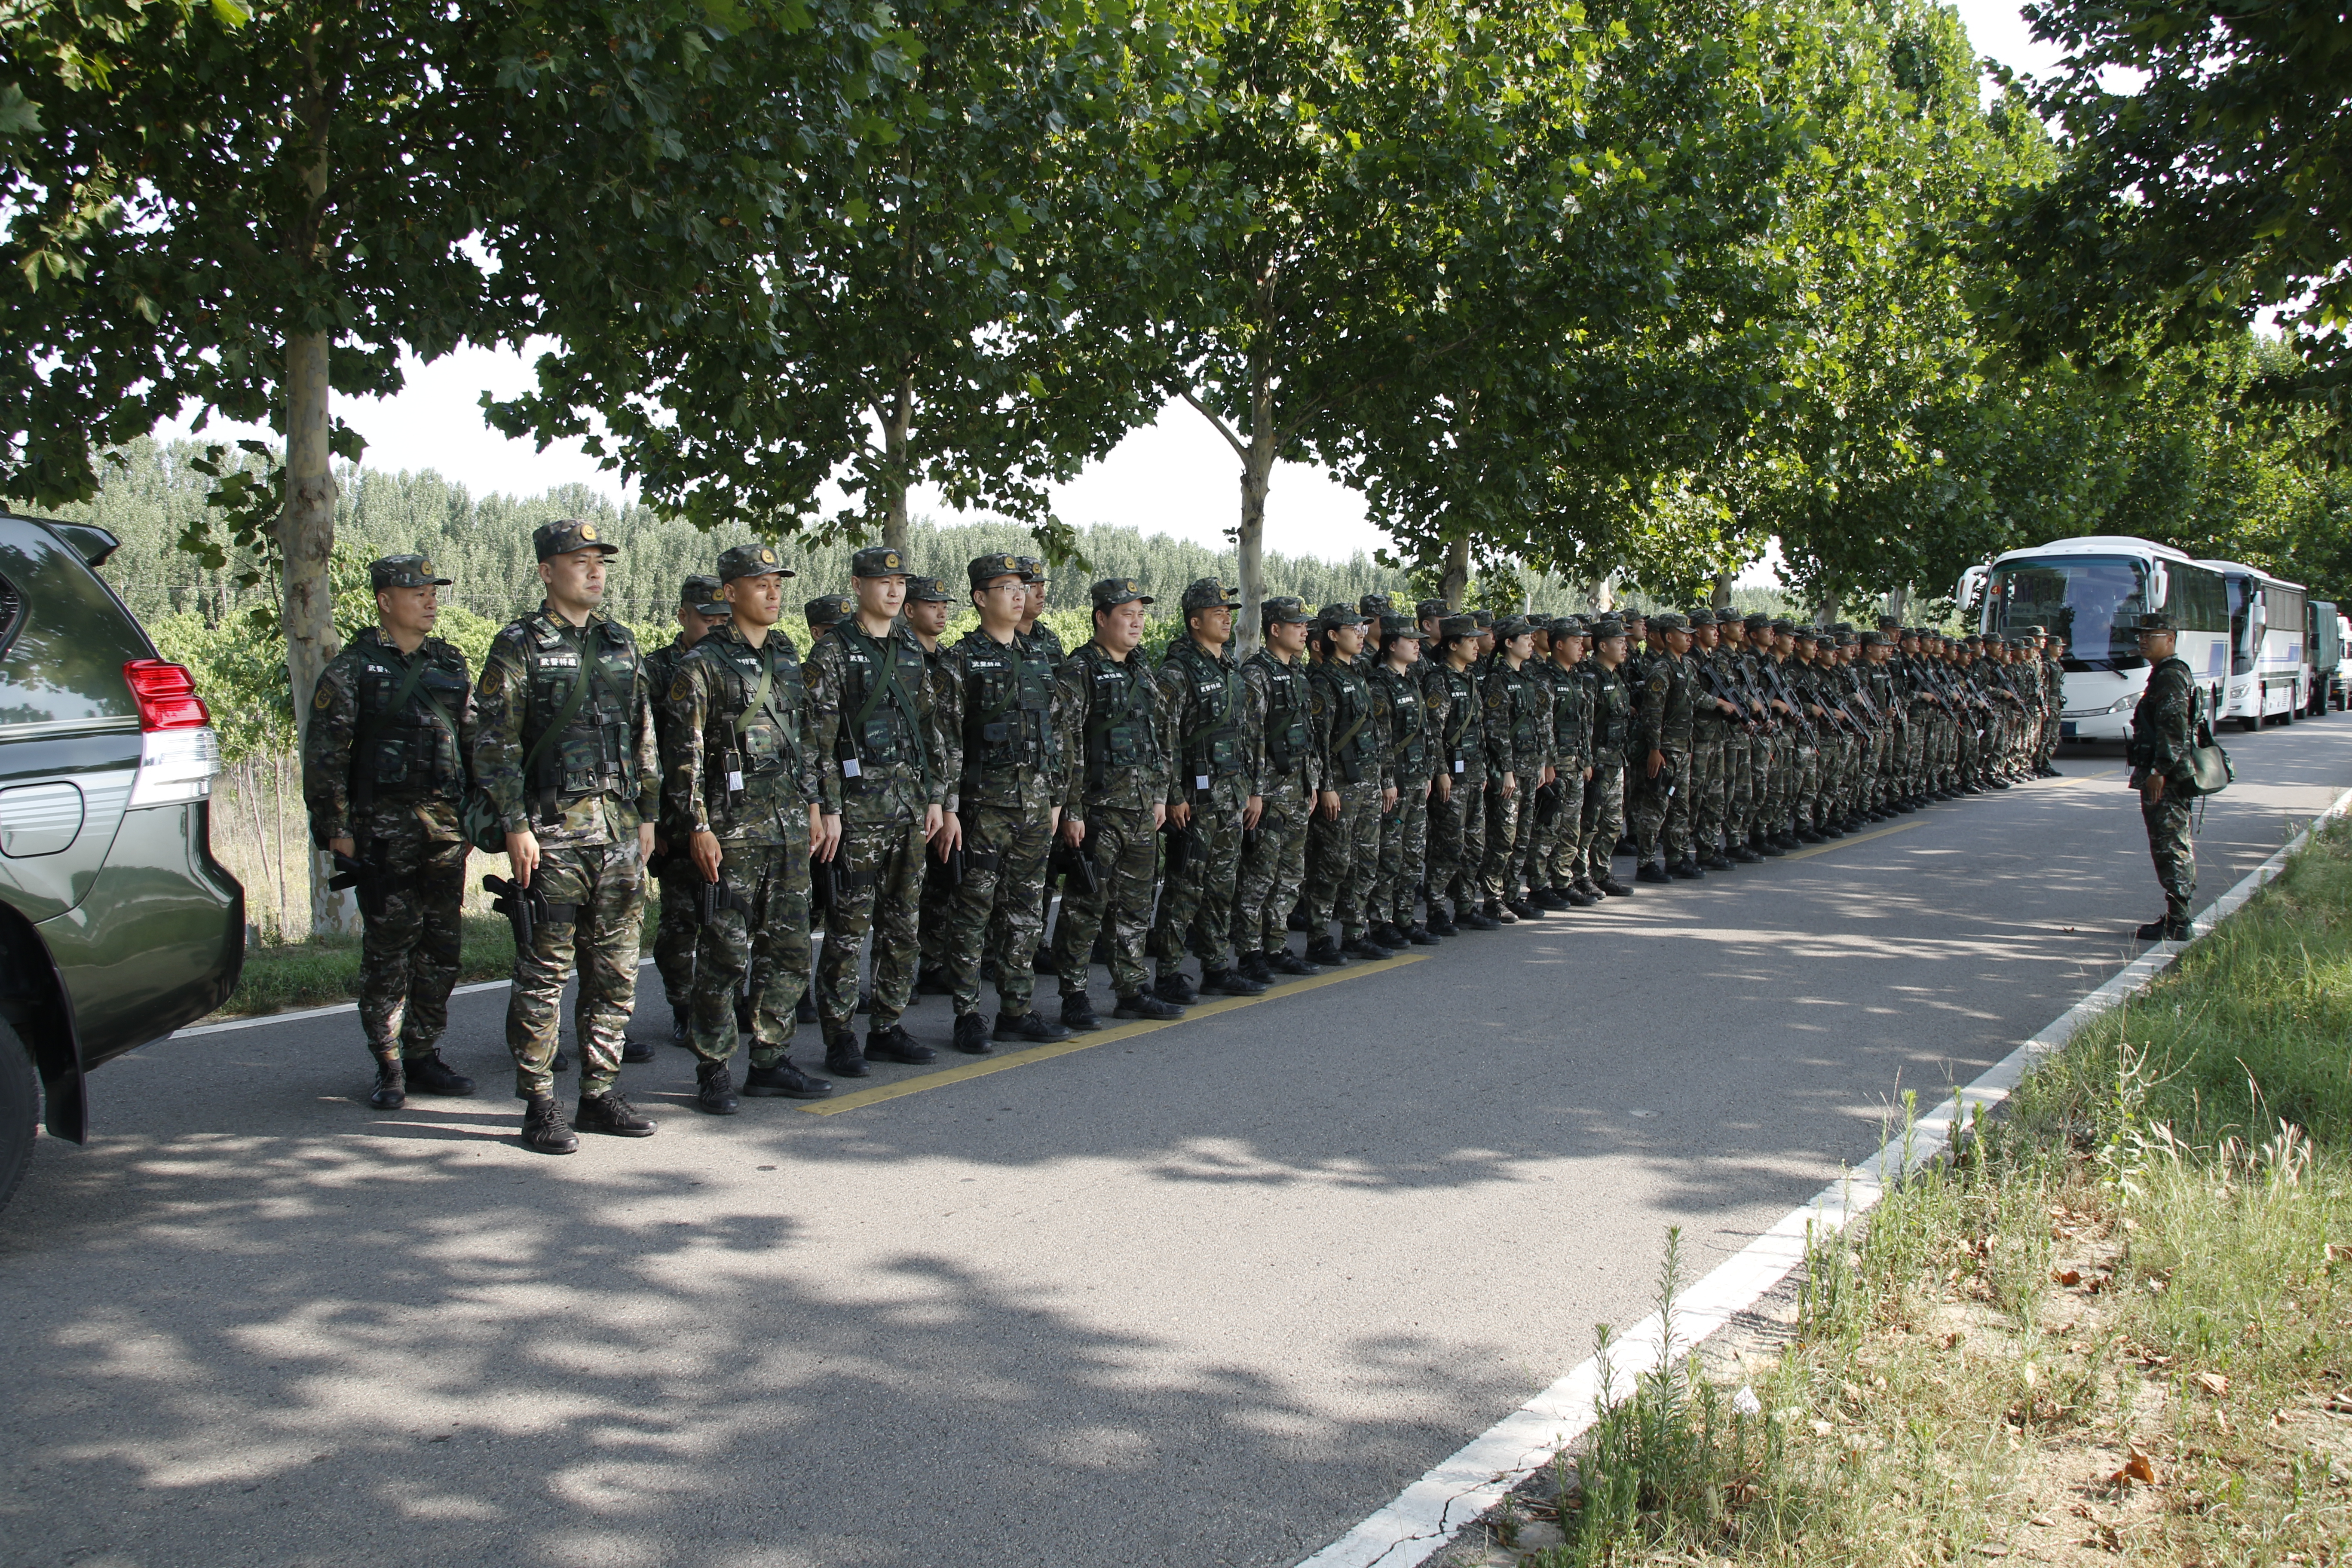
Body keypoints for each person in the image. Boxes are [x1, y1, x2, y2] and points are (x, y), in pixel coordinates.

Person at [473, 519, 661, 1155]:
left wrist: (648, 816)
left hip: (616, 832)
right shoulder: (518, 645)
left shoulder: (620, 643)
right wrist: (515, 825)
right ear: (548, 571)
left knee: (615, 972)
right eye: (579, 560)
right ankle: (540, 1103)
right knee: (544, 974)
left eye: (600, 561)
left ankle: (599, 1094)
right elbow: (494, 744)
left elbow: (644, 735)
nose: (594, 571)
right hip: (551, 834)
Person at [301, 554, 477, 1112]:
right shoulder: (353, 670)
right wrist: (336, 830)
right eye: (418, 592)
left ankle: (424, 1052)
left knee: (442, 947)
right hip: (382, 832)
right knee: (388, 951)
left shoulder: (451, 664)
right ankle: (389, 1063)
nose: (430, 600)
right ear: (385, 600)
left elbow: (475, 746)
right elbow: (325, 756)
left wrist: (474, 818)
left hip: (445, 830)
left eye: (433, 591)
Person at [661, 544, 833, 1108]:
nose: (774, 592)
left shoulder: (785, 657)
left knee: (787, 948)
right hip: (731, 831)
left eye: (778, 583)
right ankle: (713, 1067)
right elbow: (684, 755)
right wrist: (697, 827)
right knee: (726, 953)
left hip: (785, 826)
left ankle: (771, 1059)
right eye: (761, 584)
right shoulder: (702, 664)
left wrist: (811, 805)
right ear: (731, 593)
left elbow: (803, 740)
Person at [805, 545, 951, 1075]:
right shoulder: (833, 653)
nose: (894, 590)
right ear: (858, 586)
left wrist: (936, 798)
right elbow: (817, 739)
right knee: (848, 928)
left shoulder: (912, 647)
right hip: (857, 814)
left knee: (902, 924)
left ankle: (887, 1025)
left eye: (900, 583)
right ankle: (840, 1035)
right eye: (883, 581)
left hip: (909, 810)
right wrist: (828, 808)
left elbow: (930, 730)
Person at [940, 553, 1072, 1050]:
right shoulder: (960, 659)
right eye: (1006, 587)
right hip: (983, 808)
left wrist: (1058, 798)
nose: (1020, 595)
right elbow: (947, 740)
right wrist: (949, 808)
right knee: (974, 911)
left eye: (1023, 586)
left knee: (1025, 911)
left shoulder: (1037, 658)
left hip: (1036, 807)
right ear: (980, 598)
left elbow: (1056, 735)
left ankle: (1017, 1008)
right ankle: (967, 1013)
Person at [1051, 579, 1183, 1027]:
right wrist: (1071, 810)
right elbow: (1066, 744)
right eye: (1127, 615)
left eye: (1141, 615)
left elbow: (1161, 737)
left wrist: (1162, 795)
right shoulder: (1080, 670)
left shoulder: (1143, 671)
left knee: (1134, 905)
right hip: (1098, 812)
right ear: (1101, 618)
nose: (1137, 623)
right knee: (1086, 905)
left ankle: (1130, 988)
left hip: (1143, 809)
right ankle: (1073, 993)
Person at [1150, 578, 1265, 1001]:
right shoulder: (1177, 671)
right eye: (1217, 613)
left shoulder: (1231, 668)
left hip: (1232, 797)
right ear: (1195, 621)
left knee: (1221, 887)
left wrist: (1254, 789)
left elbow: (1248, 733)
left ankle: (1216, 966)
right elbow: (1165, 737)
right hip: (1195, 802)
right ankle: (1167, 972)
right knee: (1184, 886)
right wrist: (1174, 795)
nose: (1226, 618)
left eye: (1229, 612)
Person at [643, 574, 729, 1053]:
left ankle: (717, 1003)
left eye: (723, 617)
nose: (716, 625)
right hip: (678, 820)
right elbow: (648, 749)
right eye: (706, 617)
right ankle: (683, 1004)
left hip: (731, 814)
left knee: (727, 919)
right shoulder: (659, 669)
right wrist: (652, 819)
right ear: (682, 616)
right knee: (679, 922)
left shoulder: (735, 664)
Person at [1234, 596, 1323, 980]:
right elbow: (1250, 735)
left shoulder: (1298, 673)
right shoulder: (1258, 674)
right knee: (1259, 876)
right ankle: (1250, 951)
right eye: (1297, 624)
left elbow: (1310, 732)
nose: (1305, 631)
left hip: (1297, 789)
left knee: (1290, 874)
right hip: (1269, 791)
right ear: (1275, 629)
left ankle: (1276, 944)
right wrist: (1254, 790)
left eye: (1306, 625)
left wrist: (1314, 780)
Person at [1302, 603, 1394, 963]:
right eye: (1353, 628)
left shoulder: (1361, 674)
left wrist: (1385, 779)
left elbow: (1377, 734)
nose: (1361, 634)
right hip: (1341, 786)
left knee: (1365, 861)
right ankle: (1319, 936)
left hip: (1368, 784)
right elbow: (1319, 741)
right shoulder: (1323, 682)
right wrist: (1326, 786)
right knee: (1333, 864)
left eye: (1363, 628)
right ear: (1332, 635)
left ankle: (1355, 933)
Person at [2125, 611, 2199, 942]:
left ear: (2170, 639)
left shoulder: (2171, 675)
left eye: (2150, 635)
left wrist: (2158, 771)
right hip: (2165, 774)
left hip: (2166, 777)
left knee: (2171, 846)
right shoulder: (2163, 674)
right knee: (2167, 844)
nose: (2142, 640)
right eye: (2140, 635)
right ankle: (2176, 916)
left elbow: (2174, 728)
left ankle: (2180, 921)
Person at [1367, 613, 1440, 944]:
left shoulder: (1411, 680)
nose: (1417, 645)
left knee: (1413, 853)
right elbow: (1381, 738)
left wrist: (1427, 774)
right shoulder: (1380, 684)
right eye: (1410, 640)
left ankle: (1406, 917)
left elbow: (1423, 734)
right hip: (1395, 782)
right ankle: (1382, 922)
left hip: (1415, 780)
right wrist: (1386, 780)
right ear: (1392, 645)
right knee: (1390, 855)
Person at [1425, 615, 1493, 929]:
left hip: (1474, 774)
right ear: (1453, 645)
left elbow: (1477, 730)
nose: (1477, 646)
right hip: (1452, 777)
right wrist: (1440, 772)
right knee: (1449, 845)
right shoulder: (1439, 681)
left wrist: (1484, 771)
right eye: (1470, 641)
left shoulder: (1471, 678)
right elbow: (1434, 732)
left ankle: (1465, 904)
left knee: (1475, 845)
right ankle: (1437, 906)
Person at [1479, 615, 1547, 919]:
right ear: (1509, 643)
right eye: (1526, 637)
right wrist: (1507, 769)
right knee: (1503, 837)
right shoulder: (1498, 680)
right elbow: (1497, 729)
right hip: (1510, 771)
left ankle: (1511, 893)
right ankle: (1493, 898)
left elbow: (1538, 724)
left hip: (1531, 768)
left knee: (1523, 836)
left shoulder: (1527, 677)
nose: (1532, 642)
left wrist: (1543, 763)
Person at [1576, 616, 1636, 899]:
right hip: (1598, 761)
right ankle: (1580, 875)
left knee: (1613, 822)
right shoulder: (1591, 678)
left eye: (1626, 642)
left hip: (1616, 759)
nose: (1625, 647)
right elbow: (1585, 724)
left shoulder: (1616, 677)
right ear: (1602, 645)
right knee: (1589, 822)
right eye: (1619, 642)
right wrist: (1587, 760)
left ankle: (1602, 872)